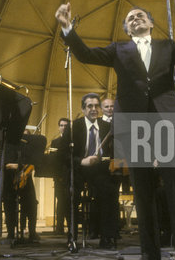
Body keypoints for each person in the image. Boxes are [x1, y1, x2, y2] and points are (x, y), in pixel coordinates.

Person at [55, 0, 175, 260]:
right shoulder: (117, 49)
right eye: (130, 18)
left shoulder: (167, 47)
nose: (134, 19)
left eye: (139, 16)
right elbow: (86, 55)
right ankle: (150, 254)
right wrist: (68, 28)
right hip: (133, 127)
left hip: (165, 122)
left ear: (150, 22)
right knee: (143, 191)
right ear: (127, 29)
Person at [59, 93, 117, 249]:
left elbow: (113, 152)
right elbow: (62, 154)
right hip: (78, 169)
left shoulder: (106, 127)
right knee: (71, 192)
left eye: (96, 106)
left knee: (109, 191)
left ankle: (107, 237)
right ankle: (72, 237)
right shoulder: (74, 127)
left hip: (98, 170)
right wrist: (81, 161)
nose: (94, 109)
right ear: (83, 109)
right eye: (90, 106)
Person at [50, 118, 70, 234]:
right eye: (61, 125)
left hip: (70, 174)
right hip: (59, 175)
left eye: (66, 126)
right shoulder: (55, 142)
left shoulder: (73, 141)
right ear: (59, 127)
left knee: (68, 200)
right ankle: (59, 227)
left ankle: (70, 226)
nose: (63, 127)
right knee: (61, 200)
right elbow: (53, 159)